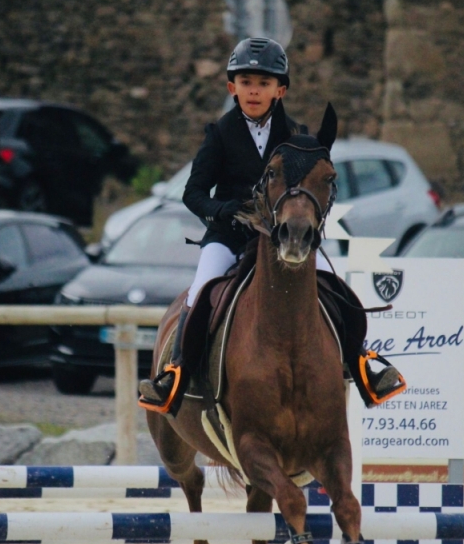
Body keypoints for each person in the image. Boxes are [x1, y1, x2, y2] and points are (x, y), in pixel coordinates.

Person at [139, 37, 404, 414]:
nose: (254, 91)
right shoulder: (220, 133)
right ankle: (175, 374)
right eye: (246, 82)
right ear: (232, 87)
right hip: (228, 237)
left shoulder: (296, 135)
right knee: (199, 292)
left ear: (280, 90)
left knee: (336, 288)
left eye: (263, 84)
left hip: (284, 237)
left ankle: (364, 365)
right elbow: (193, 193)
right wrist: (224, 210)